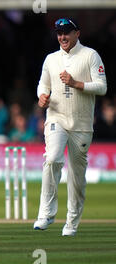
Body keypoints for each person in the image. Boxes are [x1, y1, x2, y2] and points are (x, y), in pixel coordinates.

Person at [34, 18, 107, 236]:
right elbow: (42, 85)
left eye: (66, 33)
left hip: (82, 123)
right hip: (56, 118)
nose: (62, 37)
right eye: (59, 33)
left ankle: (71, 223)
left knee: (76, 175)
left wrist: (76, 84)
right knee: (53, 158)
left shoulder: (90, 56)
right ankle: (46, 213)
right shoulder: (51, 59)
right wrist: (42, 97)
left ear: (77, 33)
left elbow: (102, 87)